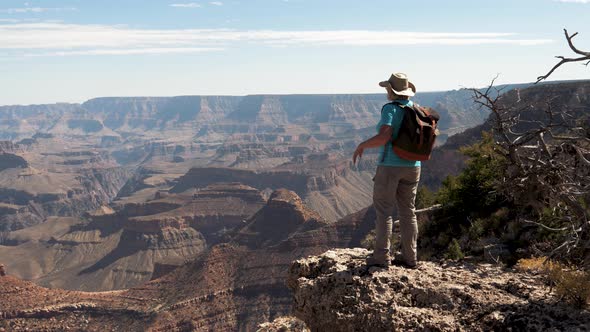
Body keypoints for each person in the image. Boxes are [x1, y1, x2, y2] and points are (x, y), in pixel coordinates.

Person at [352, 72, 421, 269]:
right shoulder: (415, 109)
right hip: (414, 166)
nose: (386, 92)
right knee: (409, 212)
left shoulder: (390, 109)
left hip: (391, 166)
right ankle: (411, 258)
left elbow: (384, 137)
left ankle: (381, 257)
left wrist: (362, 145)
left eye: (387, 89)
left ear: (391, 90)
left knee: (384, 212)